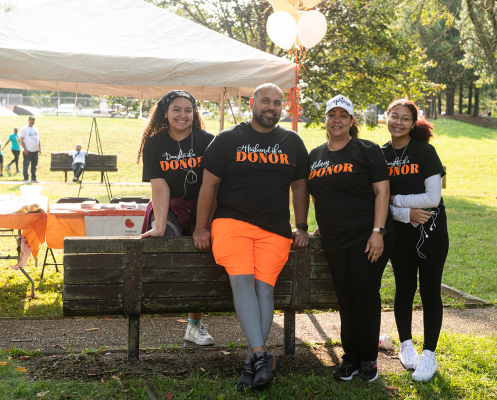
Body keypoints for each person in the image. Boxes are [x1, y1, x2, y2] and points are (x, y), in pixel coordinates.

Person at [193, 83, 310, 391]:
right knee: (242, 281)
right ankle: (260, 353)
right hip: (232, 223)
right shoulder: (228, 140)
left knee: (264, 290)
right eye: (265, 101)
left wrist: (301, 225)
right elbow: (208, 187)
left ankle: (252, 360)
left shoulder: (292, 142)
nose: (271, 107)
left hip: (275, 229)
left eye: (277, 102)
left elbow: (300, 187)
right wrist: (201, 226)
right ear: (253, 103)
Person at [306, 95, 395, 383]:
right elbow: (318, 194)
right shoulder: (315, 155)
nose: (337, 120)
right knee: (345, 297)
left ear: (352, 120)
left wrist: (378, 232)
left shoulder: (366, 150)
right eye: (332, 114)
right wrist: (320, 225)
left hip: (367, 235)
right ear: (326, 119)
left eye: (343, 115)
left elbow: (383, 192)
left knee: (364, 293)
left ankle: (368, 358)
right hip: (334, 238)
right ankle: (350, 357)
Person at [137, 90, 215, 347]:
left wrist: (205, 225)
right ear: (165, 113)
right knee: (167, 246)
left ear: (195, 114)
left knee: (202, 258)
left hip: (203, 205)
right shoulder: (154, 143)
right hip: (169, 206)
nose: (183, 115)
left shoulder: (208, 141)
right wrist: (159, 225)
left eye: (188, 110)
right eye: (177, 110)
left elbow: (213, 186)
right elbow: (159, 187)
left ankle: (194, 326)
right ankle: (166, 304)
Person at [381, 99, 449, 382]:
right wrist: (405, 213)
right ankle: (406, 346)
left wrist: (395, 199)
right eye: (393, 116)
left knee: (430, 291)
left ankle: (429, 355)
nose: (398, 122)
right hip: (401, 230)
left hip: (431, 231)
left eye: (405, 119)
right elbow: (377, 200)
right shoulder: (378, 154)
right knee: (404, 287)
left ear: (413, 123)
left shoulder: (425, 151)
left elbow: (433, 198)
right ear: (386, 118)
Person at [19, 116, 41, 183]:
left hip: (35, 150)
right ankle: (26, 179)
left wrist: (39, 148)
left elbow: (38, 139)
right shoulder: (24, 129)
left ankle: (33, 178)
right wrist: (25, 149)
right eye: (31, 120)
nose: (32, 121)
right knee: (26, 165)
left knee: (34, 166)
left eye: (33, 120)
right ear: (28, 121)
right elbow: (21, 140)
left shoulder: (36, 129)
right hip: (28, 150)